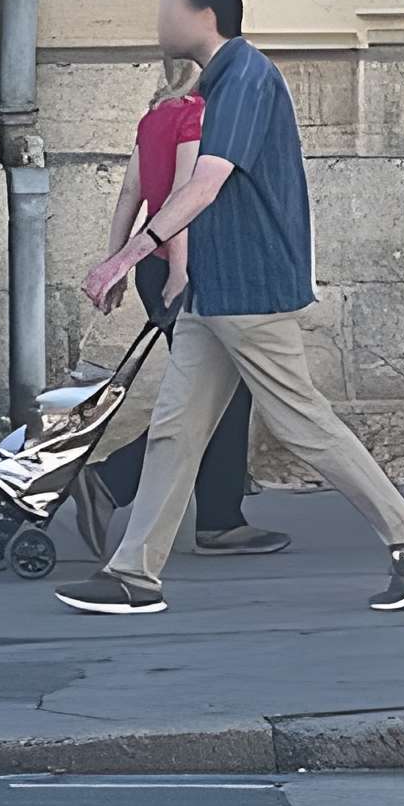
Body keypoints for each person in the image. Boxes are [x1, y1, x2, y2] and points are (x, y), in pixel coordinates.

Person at [57, 0, 404, 618]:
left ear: (204, 16)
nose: (159, 20)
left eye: (168, 7)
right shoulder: (219, 83)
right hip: (213, 289)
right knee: (175, 429)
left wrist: (127, 258)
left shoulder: (247, 77)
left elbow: (204, 184)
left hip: (248, 287)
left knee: (301, 421)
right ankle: (134, 574)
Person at [70, 59, 288, 564]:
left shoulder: (155, 117)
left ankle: (217, 516)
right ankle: (120, 485)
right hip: (191, 270)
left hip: (158, 268)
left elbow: (130, 194)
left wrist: (117, 263)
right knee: (214, 396)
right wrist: (180, 269)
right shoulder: (199, 115)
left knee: (221, 393)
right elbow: (186, 197)